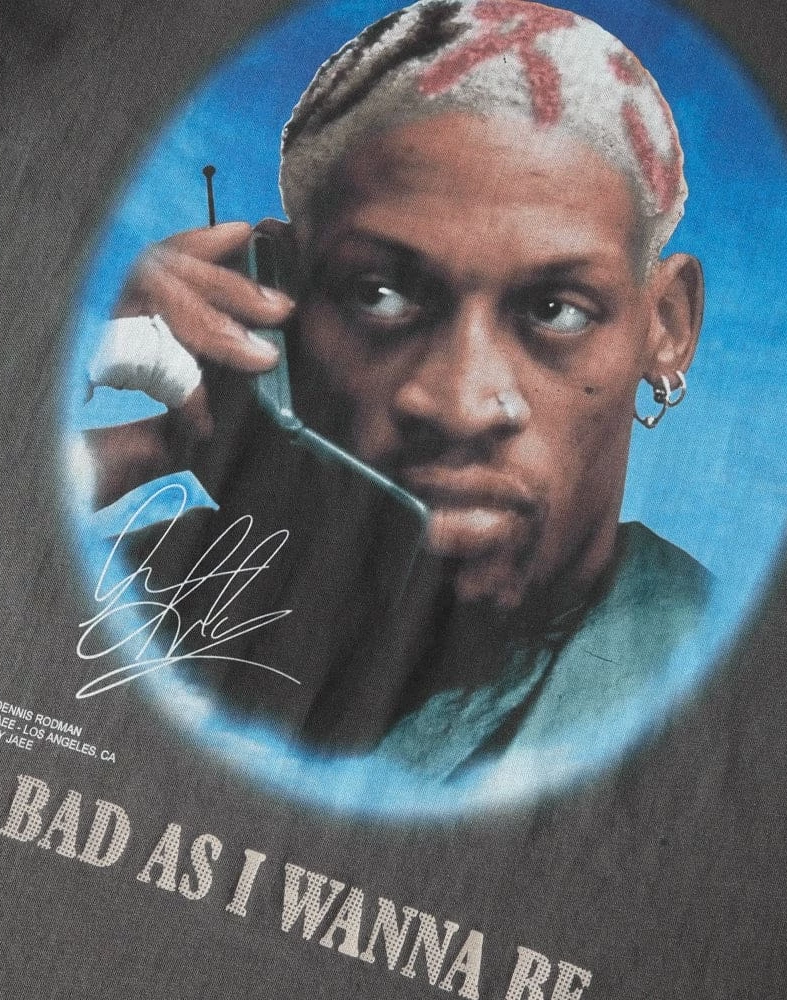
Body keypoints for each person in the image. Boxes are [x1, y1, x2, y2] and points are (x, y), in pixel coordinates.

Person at [80, 0, 710, 781]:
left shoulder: (724, 686)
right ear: (276, 287)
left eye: (555, 310)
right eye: (380, 295)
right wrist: (89, 446)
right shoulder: (130, 595)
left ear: (666, 324)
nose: (462, 404)